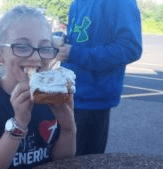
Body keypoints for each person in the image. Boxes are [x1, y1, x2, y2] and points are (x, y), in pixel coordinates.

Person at [0, 5, 76, 169]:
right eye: (22, 46)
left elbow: (61, 162)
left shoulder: (53, 98)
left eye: (44, 47)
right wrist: (19, 123)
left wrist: (68, 128)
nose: (36, 57)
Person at [57, 0, 143, 156]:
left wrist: (75, 53)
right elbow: (80, 39)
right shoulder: (76, 3)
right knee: (61, 158)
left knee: (84, 162)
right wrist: (62, 42)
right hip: (66, 94)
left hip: (92, 101)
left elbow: (131, 48)